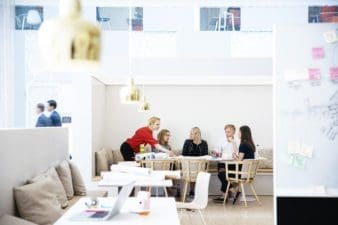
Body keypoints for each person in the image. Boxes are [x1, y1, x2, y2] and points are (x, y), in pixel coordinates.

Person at [223, 125, 256, 204]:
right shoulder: (250, 144)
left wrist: (234, 155)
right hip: (248, 173)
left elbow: (239, 161)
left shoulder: (243, 144)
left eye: (239, 132)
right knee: (224, 171)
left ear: (243, 133)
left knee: (222, 174)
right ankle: (233, 192)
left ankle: (234, 192)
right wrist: (235, 155)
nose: (238, 134)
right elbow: (241, 158)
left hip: (242, 173)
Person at [213, 124, 239, 203]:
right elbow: (217, 151)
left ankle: (224, 196)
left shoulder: (237, 141)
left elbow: (237, 154)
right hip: (223, 162)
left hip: (233, 164)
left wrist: (233, 142)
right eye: (226, 132)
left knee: (222, 175)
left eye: (229, 132)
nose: (227, 134)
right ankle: (234, 191)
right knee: (222, 174)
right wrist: (215, 153)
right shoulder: (221, 140)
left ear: (234, 132)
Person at [182, 127, 208, 197]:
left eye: (192, 133)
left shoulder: (204, 143)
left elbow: (206, 155)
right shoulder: (187, 142)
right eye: (190, 133)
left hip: (200, 164)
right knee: (193, 171)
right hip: (190, 164)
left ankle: (198, 192)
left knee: (199, 170)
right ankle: (192, 191)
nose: (190, 135)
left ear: (197, 134)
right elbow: (184, 154)